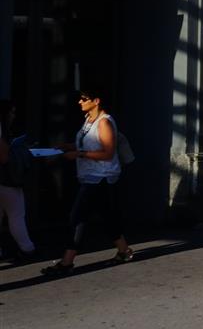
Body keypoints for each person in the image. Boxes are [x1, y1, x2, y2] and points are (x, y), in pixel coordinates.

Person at [41, 87, 134, 276]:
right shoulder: (88, 120)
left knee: (77, 218)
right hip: (90, 176)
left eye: (84, 99)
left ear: (96, 101)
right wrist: (68, 146)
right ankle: (124, 251)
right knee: (107, 215)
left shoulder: (104, 122)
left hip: (100, 177)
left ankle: (67, 262)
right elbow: (88, 143)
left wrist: (79, 154)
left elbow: (108, 153)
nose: (80, 102)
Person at [0, 100, 38, 262]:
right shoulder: (1, 130)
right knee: (16, 215)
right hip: (6, 180)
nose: (13, 116)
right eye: (12, 112)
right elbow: (3, 157)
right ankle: (27, 249)